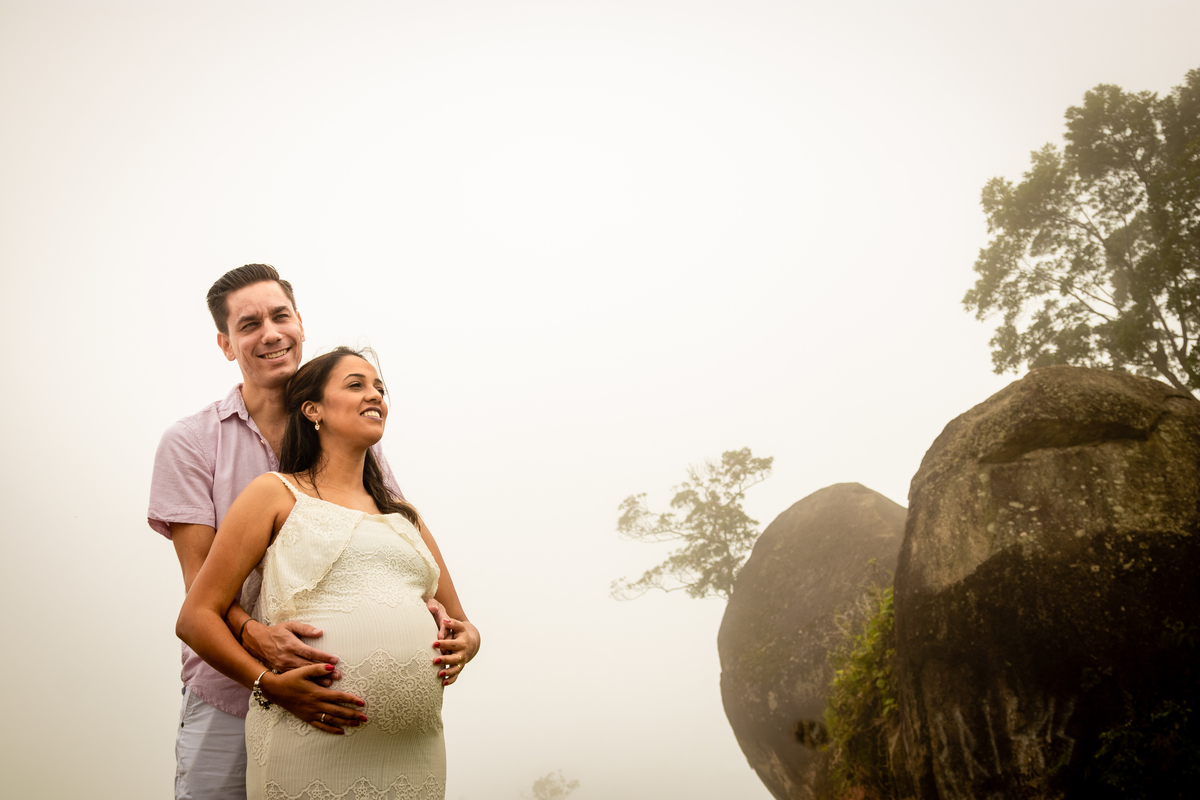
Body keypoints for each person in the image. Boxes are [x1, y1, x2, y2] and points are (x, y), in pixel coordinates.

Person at [148, 264, 480, 800]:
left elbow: (384, 541)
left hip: (372, 738)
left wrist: (433, 612)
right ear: (226, 345)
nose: (271, 333)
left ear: (300, 323)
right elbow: (201, 587)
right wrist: (259, 651)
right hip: (228, 692)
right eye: (249, 324)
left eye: (281, 316)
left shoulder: (357, 443)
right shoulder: (192, 442)